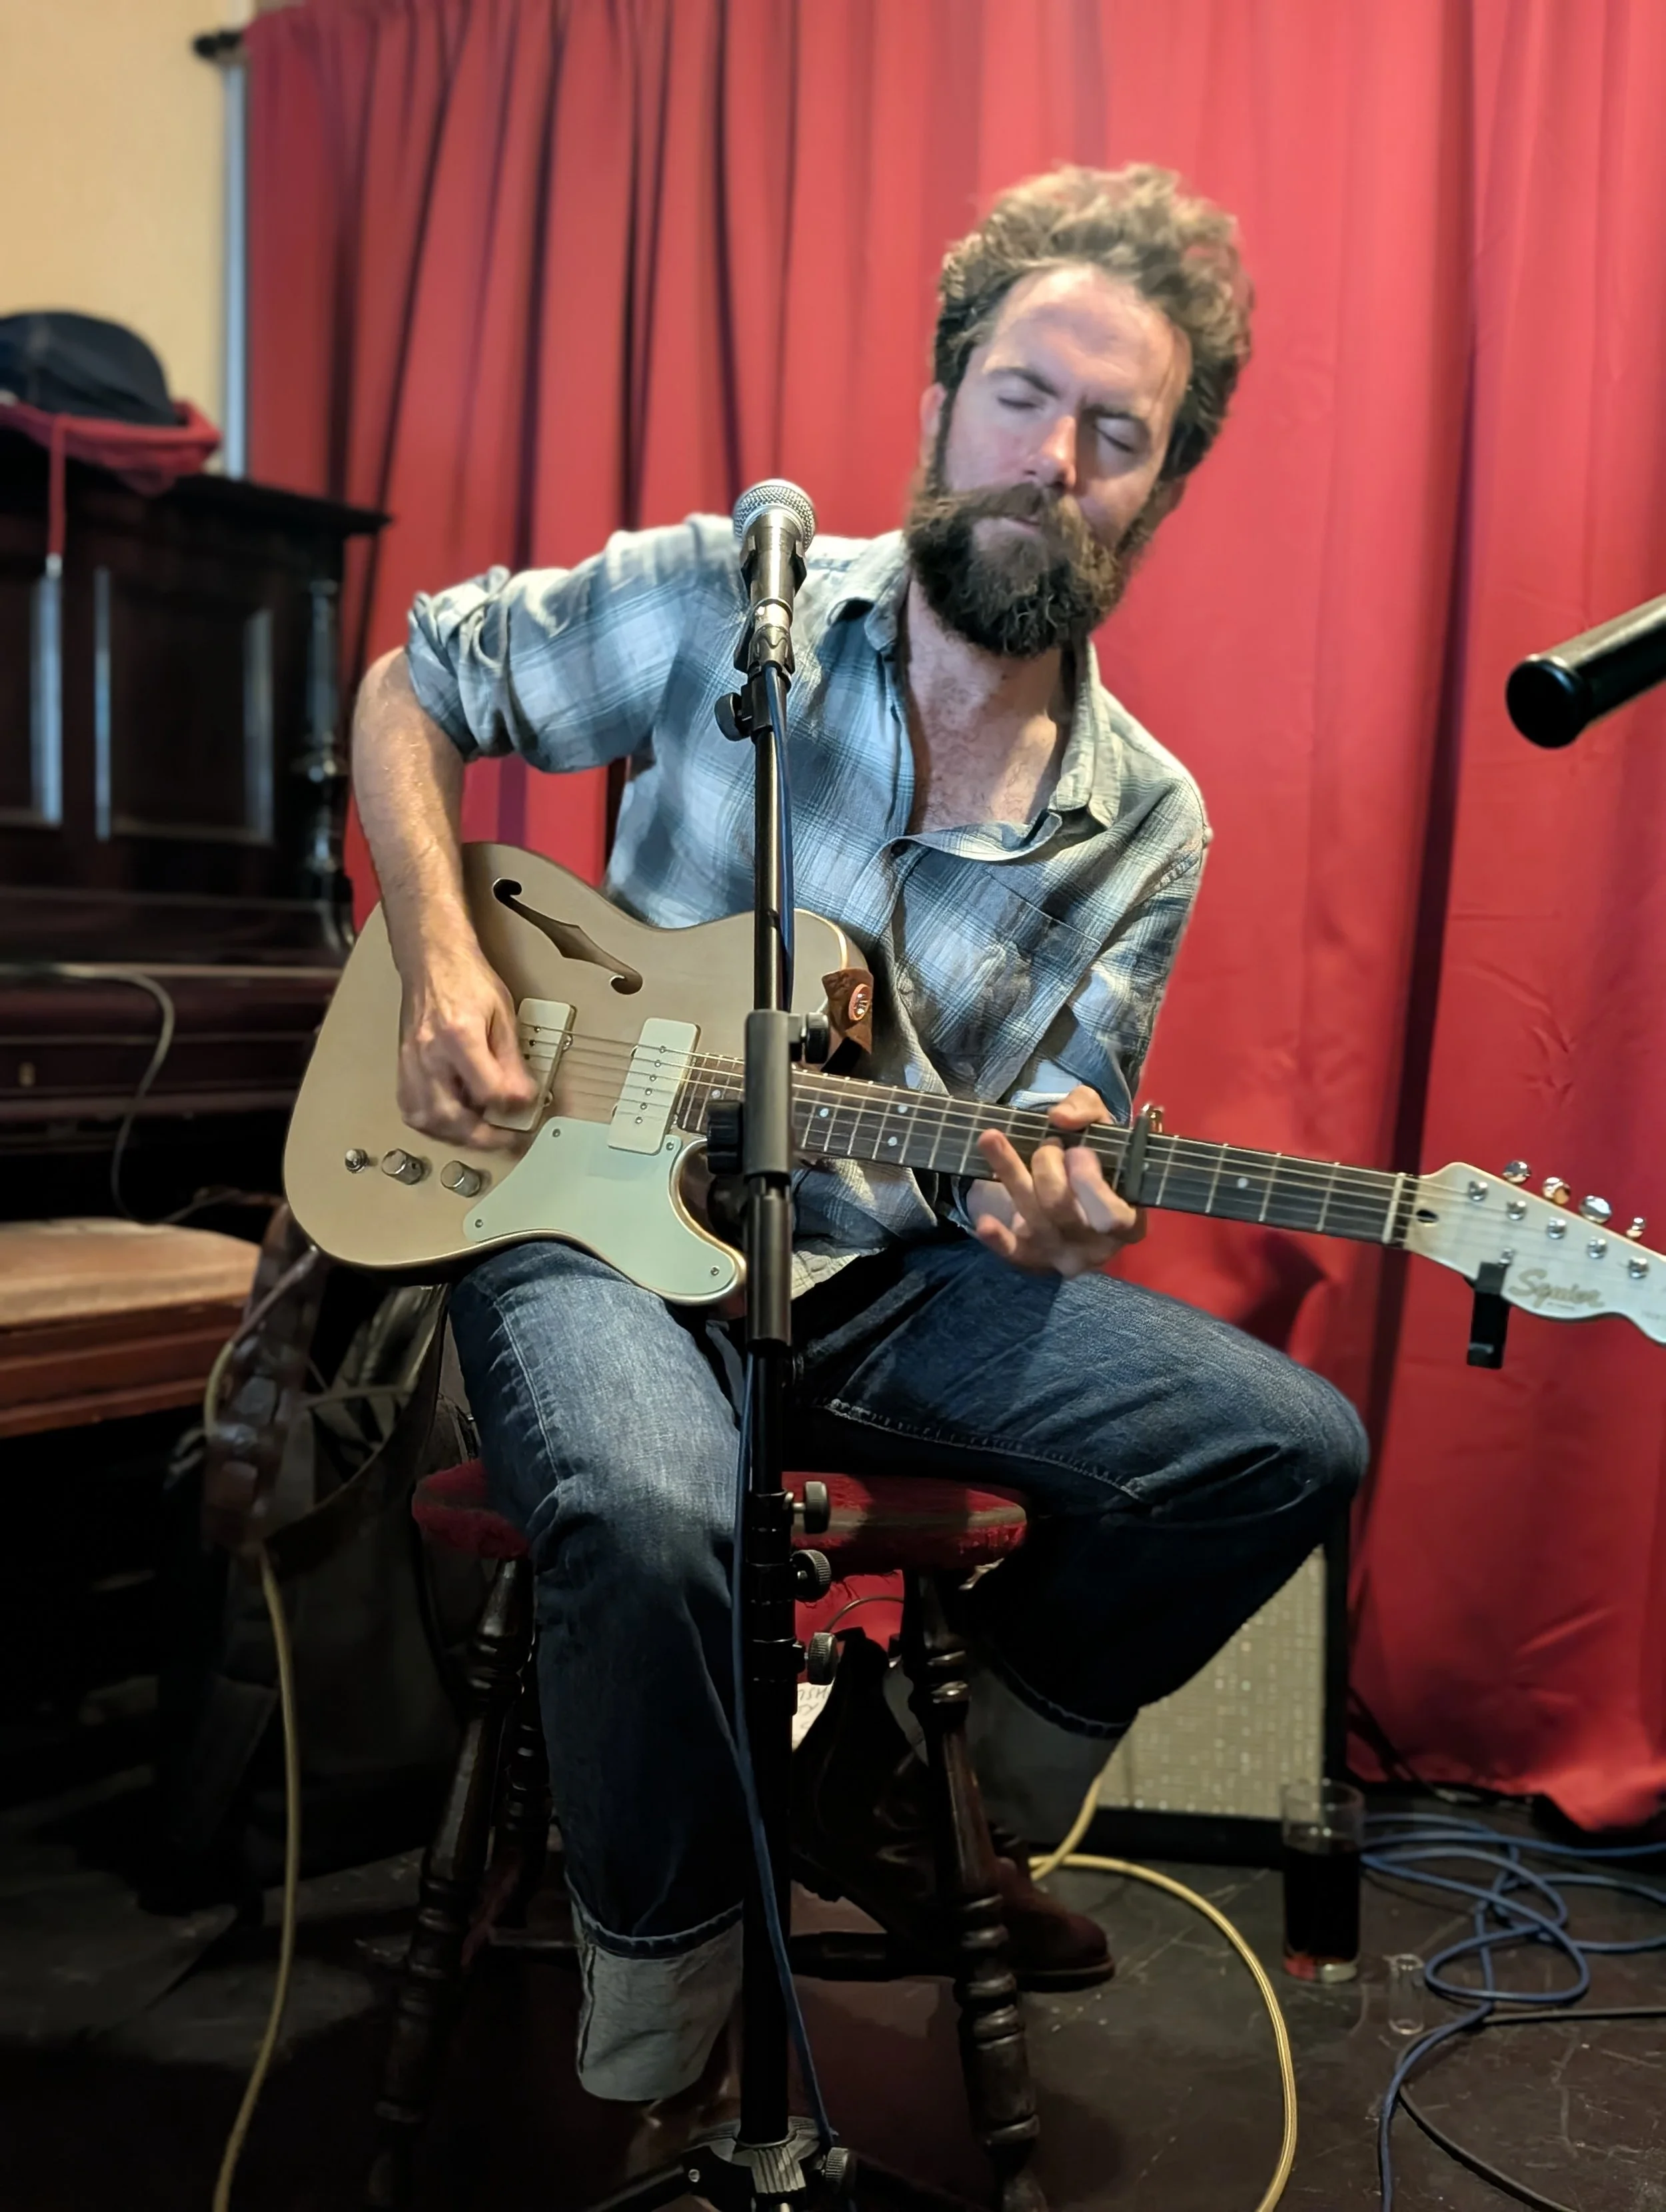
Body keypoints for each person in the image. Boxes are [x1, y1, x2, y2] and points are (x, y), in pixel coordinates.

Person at [349, 163, 1368, 2107]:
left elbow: (1065, 1129)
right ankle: (662, 1959)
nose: (1049, 456)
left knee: (1281, 1445)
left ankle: (898, 1806)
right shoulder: (726, 601)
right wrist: (437, 964)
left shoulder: (1149, 819)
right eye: (1016, 394)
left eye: (1114, 432)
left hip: (880, 1279)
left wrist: (1064, 1204)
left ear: (1157, 486)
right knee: (651, 1509)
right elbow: (413, 683)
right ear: (936, 403)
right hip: (585, 1229)